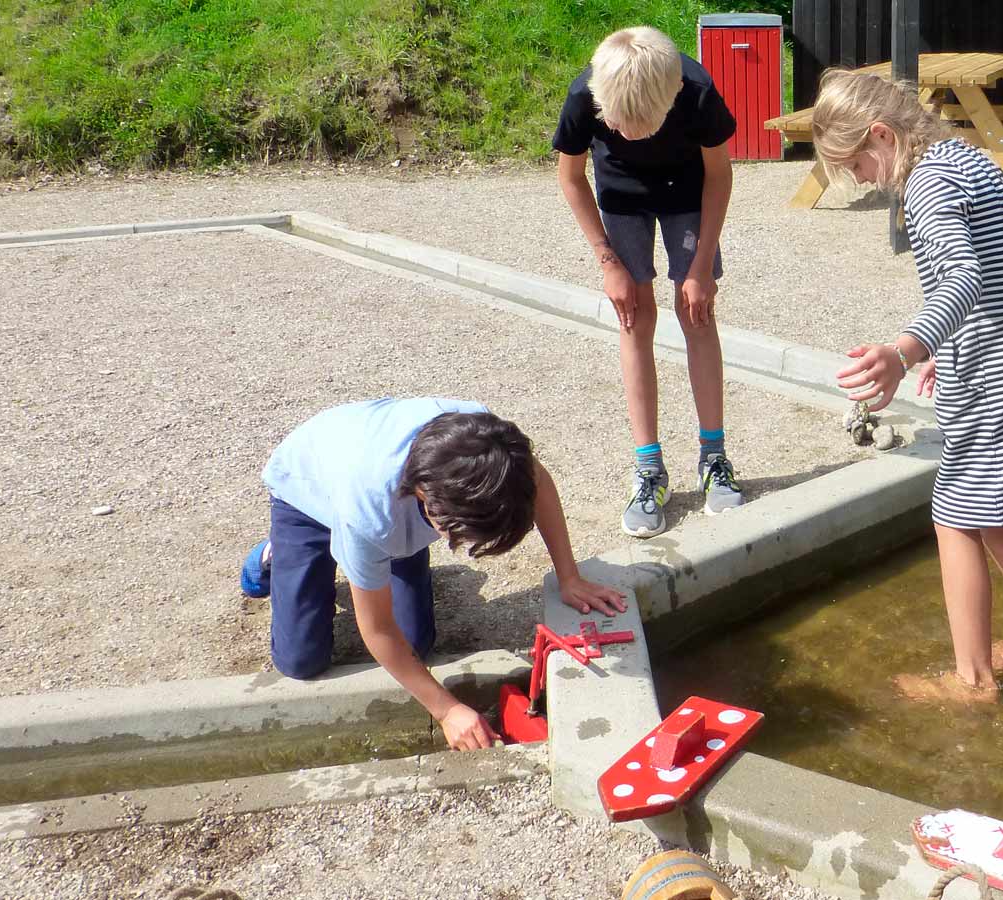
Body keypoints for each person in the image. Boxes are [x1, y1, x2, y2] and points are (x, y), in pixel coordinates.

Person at [813, 70, 1003, 704]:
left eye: (856, 164)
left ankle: (972, 682)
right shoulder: (964, 156)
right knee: (991, 505)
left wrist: (906, 350)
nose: (860, 180)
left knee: (954, 515)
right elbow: (1001, 269)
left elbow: (963, 278)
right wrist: (947, 346)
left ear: (882, 135)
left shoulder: (928, 185)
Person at [238, 398, 626, 747]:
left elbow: (538, 484)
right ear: (427, 499)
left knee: (416, 646)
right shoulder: (369, 513)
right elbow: (377, 630)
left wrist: (569, 577)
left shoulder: (491, 445)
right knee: (301, 662)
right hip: (306, 491)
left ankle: (370, 559)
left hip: (390, 502)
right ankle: (278, 553)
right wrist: (446, 710)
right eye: (461, 533)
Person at [553, 25, 744, 538]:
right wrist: (608, 262)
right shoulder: (585, 94)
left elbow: (719, 175)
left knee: (697, 314)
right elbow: (570, 177)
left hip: (688, 193)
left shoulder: (696, 91)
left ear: (672, 96)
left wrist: (700, 267)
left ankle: (713, 457)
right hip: (621, 199)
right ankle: (649, 469)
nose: (632, 135)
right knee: (634, 318)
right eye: (621, 126)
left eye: (643, 127)